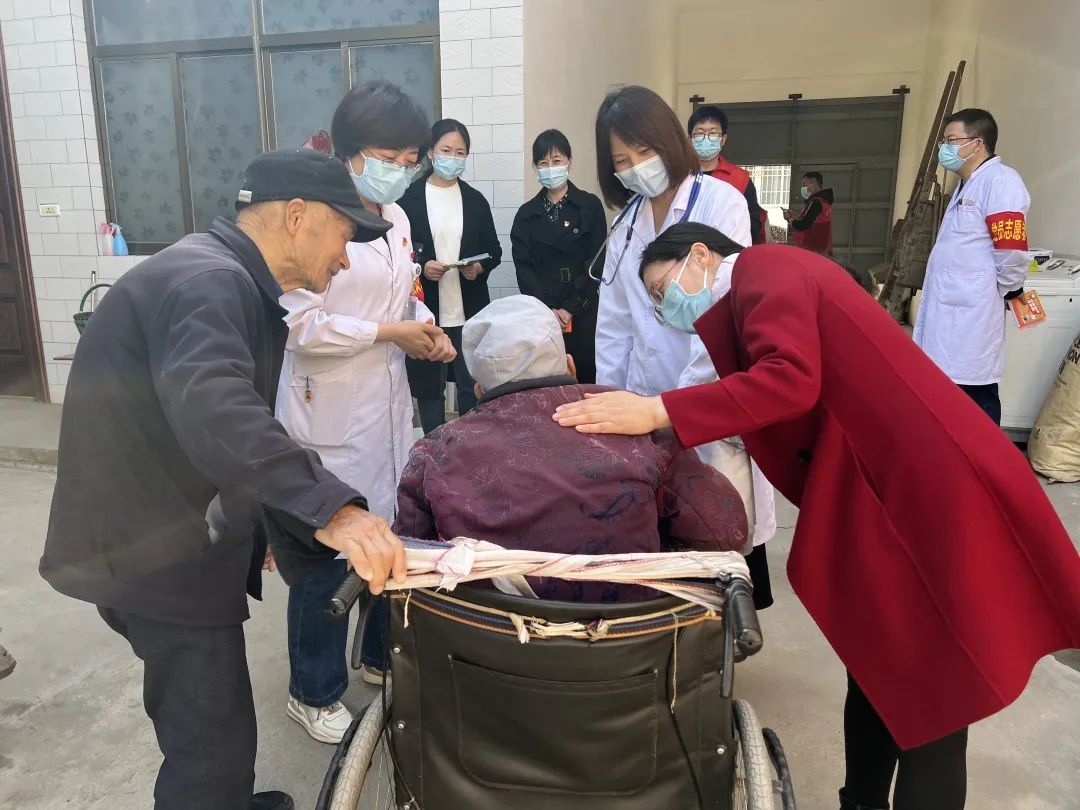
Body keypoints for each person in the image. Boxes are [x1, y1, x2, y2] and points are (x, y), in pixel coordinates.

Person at [552, 222, 1080, 810]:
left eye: (661, 289)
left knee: (936, 686)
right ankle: (861, 800)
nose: (665, 306)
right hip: (889, 486)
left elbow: (789, 380)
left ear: (700, 254)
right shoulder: (752, 300)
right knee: (878, 666)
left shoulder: (764, 270)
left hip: (928, 489)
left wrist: (658, 411)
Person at [39, 149, 408, 810]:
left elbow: (206, 427)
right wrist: (336, 511)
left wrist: (262, 522)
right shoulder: (210, 282)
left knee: (218, 726)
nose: (346, 259)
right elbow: (216, 408)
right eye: (346, 234)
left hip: (163, 531)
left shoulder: (219, 274)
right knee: (209, 744)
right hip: (151, 551)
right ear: (296, 216)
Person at [274, 82, 455, 741]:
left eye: (411, 159)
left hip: (385, 406)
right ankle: (313, 691)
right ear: (349, 152)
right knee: (327, 557)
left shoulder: (398, 218)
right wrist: (390, 334)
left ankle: (380, 656)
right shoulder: (311, 219)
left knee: (390, 532)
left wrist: (424, 326)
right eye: (388, 157)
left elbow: (401, 296)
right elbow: (300, 326)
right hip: (326, 415)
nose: (401, 170)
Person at [393, 294, 749, 602]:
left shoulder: (435, 451)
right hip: (634, 639)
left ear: (479, 391)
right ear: (570, 365)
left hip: (484, 642)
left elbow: (410, 558)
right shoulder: (633, 418)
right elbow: (725, 531)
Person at [593, 85, 776, 605]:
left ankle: (727, 628)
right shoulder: (625, 223)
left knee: (722, 526)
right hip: (644, 399)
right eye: (621, 161)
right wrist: (612, 404)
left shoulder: (720, 202)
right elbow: (615, 325)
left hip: (709, 396)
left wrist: (680, 407)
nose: (636, 168)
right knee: (667, 536)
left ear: (669, 141)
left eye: (644, 152)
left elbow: (722, 309)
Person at [914, 108, 1030, 425]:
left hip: (972, 313)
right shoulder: (967, 184)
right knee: (949, 392)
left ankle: (987, 456)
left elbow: (1011, 247)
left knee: (976, 396)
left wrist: (1011, 288)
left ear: (977, 143)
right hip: (953, 309)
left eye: (951, 140)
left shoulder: (1001, 181)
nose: (944, 148)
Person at [400, 118, 503, 434]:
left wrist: (479, 267)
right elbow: (399, 253)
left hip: (467, 308)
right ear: (431, 152)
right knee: (430, 387)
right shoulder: (407, 199)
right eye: (446, 150)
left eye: (460, 153)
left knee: (469, 383)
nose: (453, 158)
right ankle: (434, 445)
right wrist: (423, 265)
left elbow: (494, 250)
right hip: (427, 310)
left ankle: (468, 445)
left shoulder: (475, 200)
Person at [511, 129, 606, 384]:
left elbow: (597, 261)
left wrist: (569, 307)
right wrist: (547, 310)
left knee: (585, 379)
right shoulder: (526, 215)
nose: (550, 168)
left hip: (582, 309)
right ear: (535, 167)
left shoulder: (589, 206)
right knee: (547, 381)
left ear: (569, 162)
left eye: (557, 161)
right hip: (543, 314)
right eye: (543, 163)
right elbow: (524, 267)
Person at [687, 104, 766, 244]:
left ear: (723, 139)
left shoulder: (740, 179)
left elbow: (753, 225)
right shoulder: (677, 177)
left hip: (726, 252)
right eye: (699, 133)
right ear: (690, 139)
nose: (706, 138)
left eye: (713, 133)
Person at [784, 170, 833, 253]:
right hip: (819, 248)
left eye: (804, 184)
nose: (803, 188)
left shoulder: (816, 202)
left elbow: (803, 225)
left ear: (813, 183)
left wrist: (789, 219)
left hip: (811, 249)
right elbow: (809, 218)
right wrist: (794, 214)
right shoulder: (823, 202)